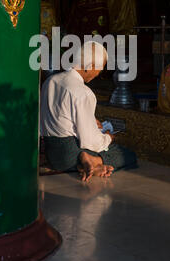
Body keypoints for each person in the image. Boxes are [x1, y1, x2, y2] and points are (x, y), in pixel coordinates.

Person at [40, 42, 138, 182]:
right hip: (71, 155)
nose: (98, 74)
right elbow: (90, 141)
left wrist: (91, 122)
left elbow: (60, 118)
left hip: (52, 154)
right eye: (99, 69)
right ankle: (93, 160)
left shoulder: (50, 81)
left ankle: (87, 163)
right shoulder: (84, 93)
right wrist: (109, 138)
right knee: (126, 155)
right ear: (89, 66)